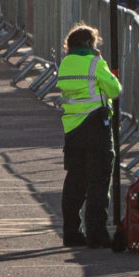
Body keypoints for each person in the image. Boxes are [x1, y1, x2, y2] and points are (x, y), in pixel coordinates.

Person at [56, 24, 123, 247]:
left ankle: (71, 232)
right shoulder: (95, 63)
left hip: (72, 128)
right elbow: (115, 89)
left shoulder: (65, 64)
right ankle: (97, 234)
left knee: (75, 180)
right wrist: (101, 62)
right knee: (98, 181)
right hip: (96, 126)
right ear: (89, 44)